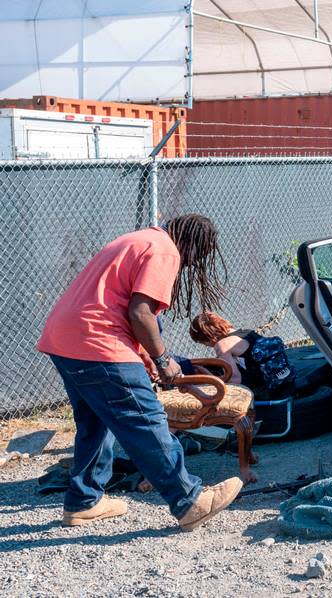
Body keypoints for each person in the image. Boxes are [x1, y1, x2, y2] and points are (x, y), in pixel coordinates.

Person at [37, 214, 243, 531]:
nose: (189, 265)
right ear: (189, 243)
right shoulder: (165, 250)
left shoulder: (137, 240)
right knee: (145, 421)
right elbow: (140, 312)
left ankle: (84, 501)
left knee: (95, 423)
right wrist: (163, 360)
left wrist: (146, 356)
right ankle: (189, 501)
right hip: (99, 343)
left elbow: (115, 304)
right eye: (194, 258)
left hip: (65, 339)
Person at [188, 311, 294, 398]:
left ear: (207, 337)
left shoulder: (222, 345)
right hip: (284, 380)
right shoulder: (246, 332)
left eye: (202, 342)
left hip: (265, 389)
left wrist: (206, 376)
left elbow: (235, 380)